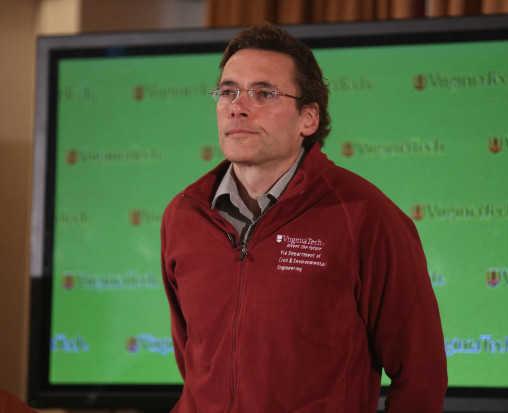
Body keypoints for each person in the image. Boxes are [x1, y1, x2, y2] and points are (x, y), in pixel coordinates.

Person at [161, 22, 447, 413]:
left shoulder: (365, 216)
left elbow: (421, 375)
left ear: (308, 119)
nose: (237, 106)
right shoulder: (184, 214)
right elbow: (194, 360)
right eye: (228, 91)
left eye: (263, 93)